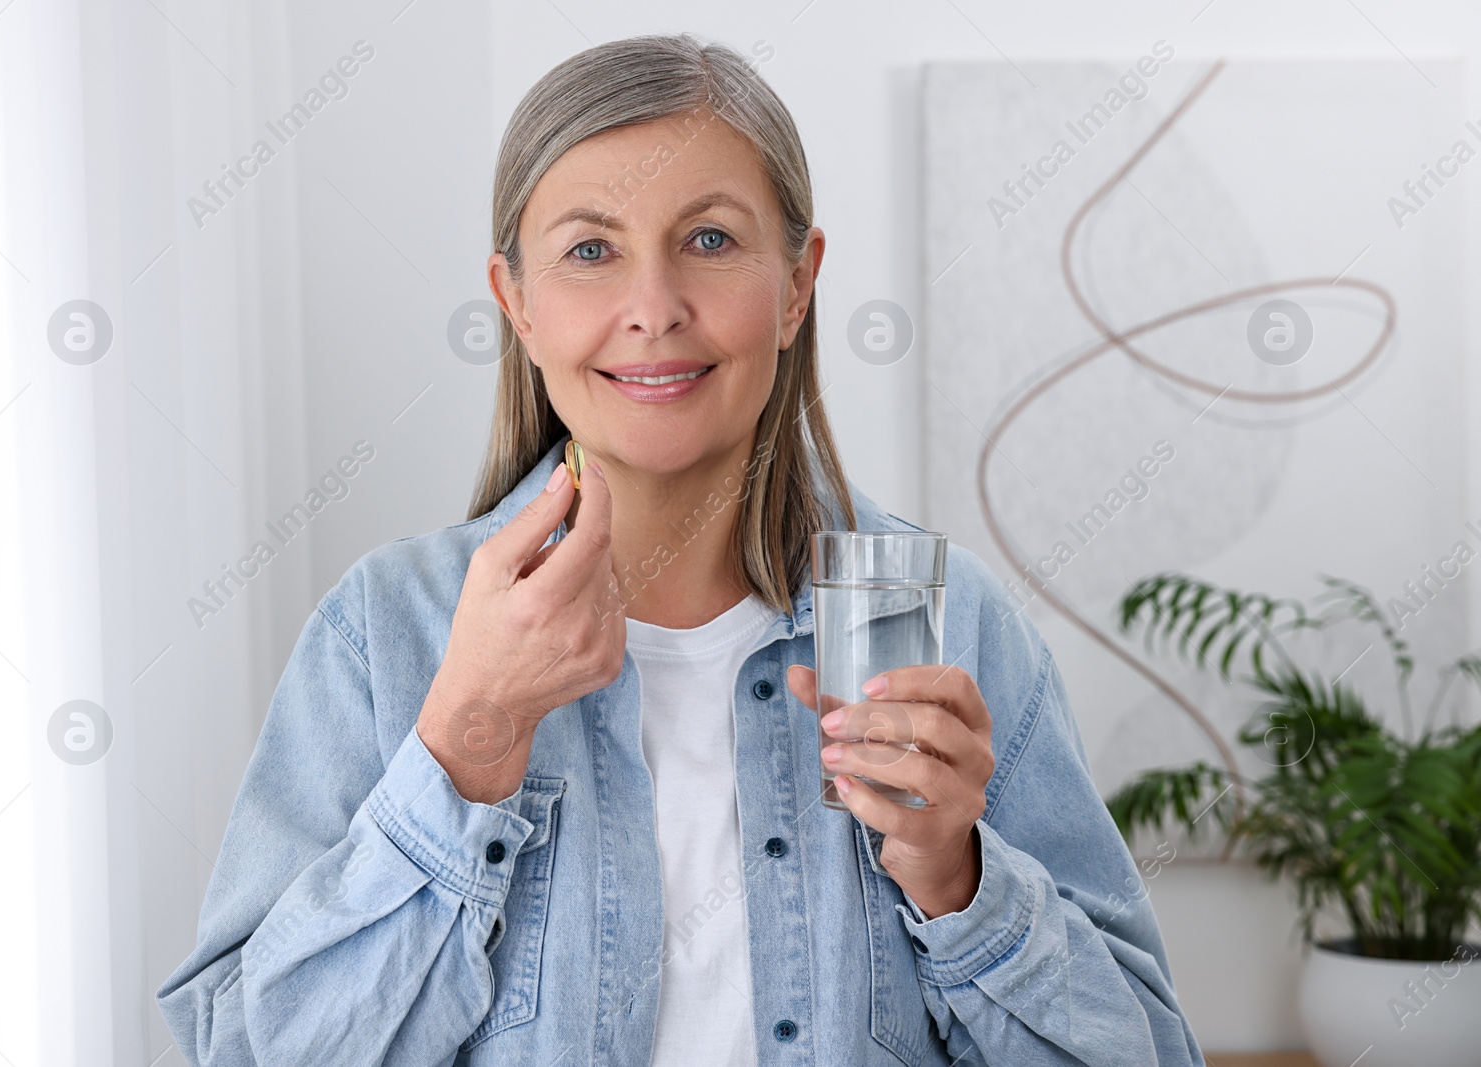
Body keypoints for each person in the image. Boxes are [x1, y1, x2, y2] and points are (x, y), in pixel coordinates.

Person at [157, 31, 1206, 1066]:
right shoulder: (387, 629)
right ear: (514, 301)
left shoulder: (950, 622)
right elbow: (248, 1049)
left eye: (708, 239)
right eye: (589, 251)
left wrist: (956, 876)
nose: (652, 309)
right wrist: (468, 746)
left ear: (797, 285)